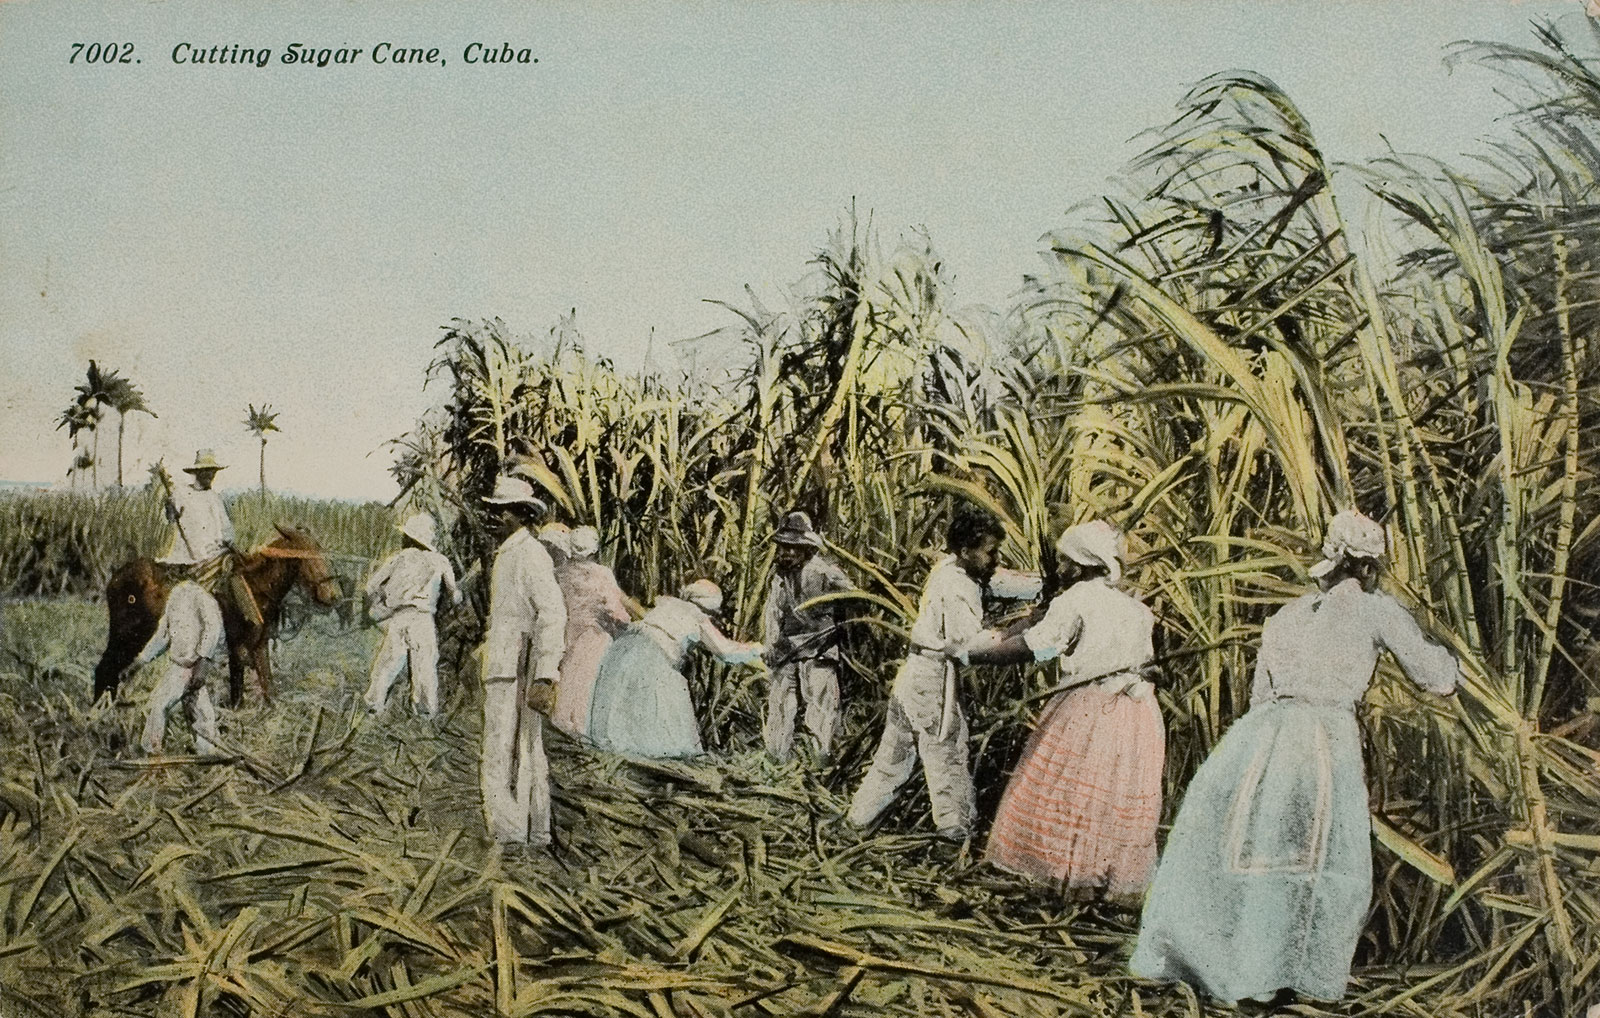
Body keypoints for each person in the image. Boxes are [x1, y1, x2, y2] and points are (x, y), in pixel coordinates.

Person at [1130, 509, 1461, 1004]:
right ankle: (1280, 975)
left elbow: (1261, 695)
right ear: (1368, 569)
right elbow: (1437, 677)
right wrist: (1456, 666)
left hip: (1260, 738)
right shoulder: (1376, 610)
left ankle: (1236, 965)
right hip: (1323, 739)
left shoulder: (1285, 616)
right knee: (1318, 857)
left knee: (1253, 848)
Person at [956, 520, 1160, 900]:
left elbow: (1039, 648)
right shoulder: (1138, 610)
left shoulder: (1075, 601)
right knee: (1111, 794)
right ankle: (1101, 880)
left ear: (1082, 566)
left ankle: (1058, 875)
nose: (1060, 569)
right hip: (1138, 714)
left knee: (1069, 791)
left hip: (1088, 709)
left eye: (1065, 562)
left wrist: (976, 654)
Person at [846, 504, 1007, 841]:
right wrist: (1015, 633)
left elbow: (999, 581)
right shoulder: (958, 586)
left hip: (913, 676)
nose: (996, 560)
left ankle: (858, 817)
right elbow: (969, 644)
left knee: (894, 753)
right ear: (966, 551)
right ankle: (955, 829)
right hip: (935, 680)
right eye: (991, 552)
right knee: (946, 753)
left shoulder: (947, 568)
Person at [478, 474, 568, 847]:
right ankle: (529, 831)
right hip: (506, 662)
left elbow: (552, 613)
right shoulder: (510, 553)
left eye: (505, 512)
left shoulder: (529, 554)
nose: (496, 518)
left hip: (518, 664)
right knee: (518, 748)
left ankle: (512, 833)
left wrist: (545, 674)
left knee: (507, 748)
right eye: (494, 511)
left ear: (524, 514)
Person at [587, 579, 762, 758]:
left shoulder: (668, 605)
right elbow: (725, 651)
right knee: (663, 703)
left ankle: (618, 746)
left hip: (628, 644)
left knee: (625, 698)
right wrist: (754, 648)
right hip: (654, 653)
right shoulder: (698, 618)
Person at [762, 511, 856, 763]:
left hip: (820, 650)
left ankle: (820, 763)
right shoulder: (780, 577)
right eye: (782, 547)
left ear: (806, 549)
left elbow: (854, 597)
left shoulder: (825, 572)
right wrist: (771, 644)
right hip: (787, 650)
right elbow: (773, 611)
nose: (784, 553)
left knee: (821, 709)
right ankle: (776, 761)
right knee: (780, 705)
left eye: (791, 548)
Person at [362, 512, 461, 716]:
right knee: (424, 667)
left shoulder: (399, 558)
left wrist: (369, 612)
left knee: (388, 662)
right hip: (423, 620)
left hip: (399, 617)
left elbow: (370, 588)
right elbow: (455, 594)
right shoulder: (441, 561)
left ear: (411, 537)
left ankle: (373, 705)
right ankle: (424, 713)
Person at [122, 574, 227, 755]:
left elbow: (213, 628)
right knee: (198, 712)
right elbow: (163, 634)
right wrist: (139, 662)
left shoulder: (202, 597)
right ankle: (207, 751)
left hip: (190, 665)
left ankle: (154, 754)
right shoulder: (175, 596)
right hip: (179, 665)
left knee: (158, 706)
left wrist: (202, 662)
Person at [159, 449, 261, 628]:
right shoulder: (181, 494)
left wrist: (229, 546)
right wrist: (169, 509)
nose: (209, 475)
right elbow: (169, 520)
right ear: (197, 473)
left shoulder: (215, 499)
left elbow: (227, 530)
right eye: (205, 471)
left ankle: (249, 620)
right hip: (192, 558)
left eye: (212, 471)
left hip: (217, 556)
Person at [549, 526, 633, 737]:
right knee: (587, 678)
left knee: (567, 673)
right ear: (594, 549)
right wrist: (626, 623)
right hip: (593, 632)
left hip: (567, 630)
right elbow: (614, 609)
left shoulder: (559, 573)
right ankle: (580, 726)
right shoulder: (602, 574)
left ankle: (561, 720)